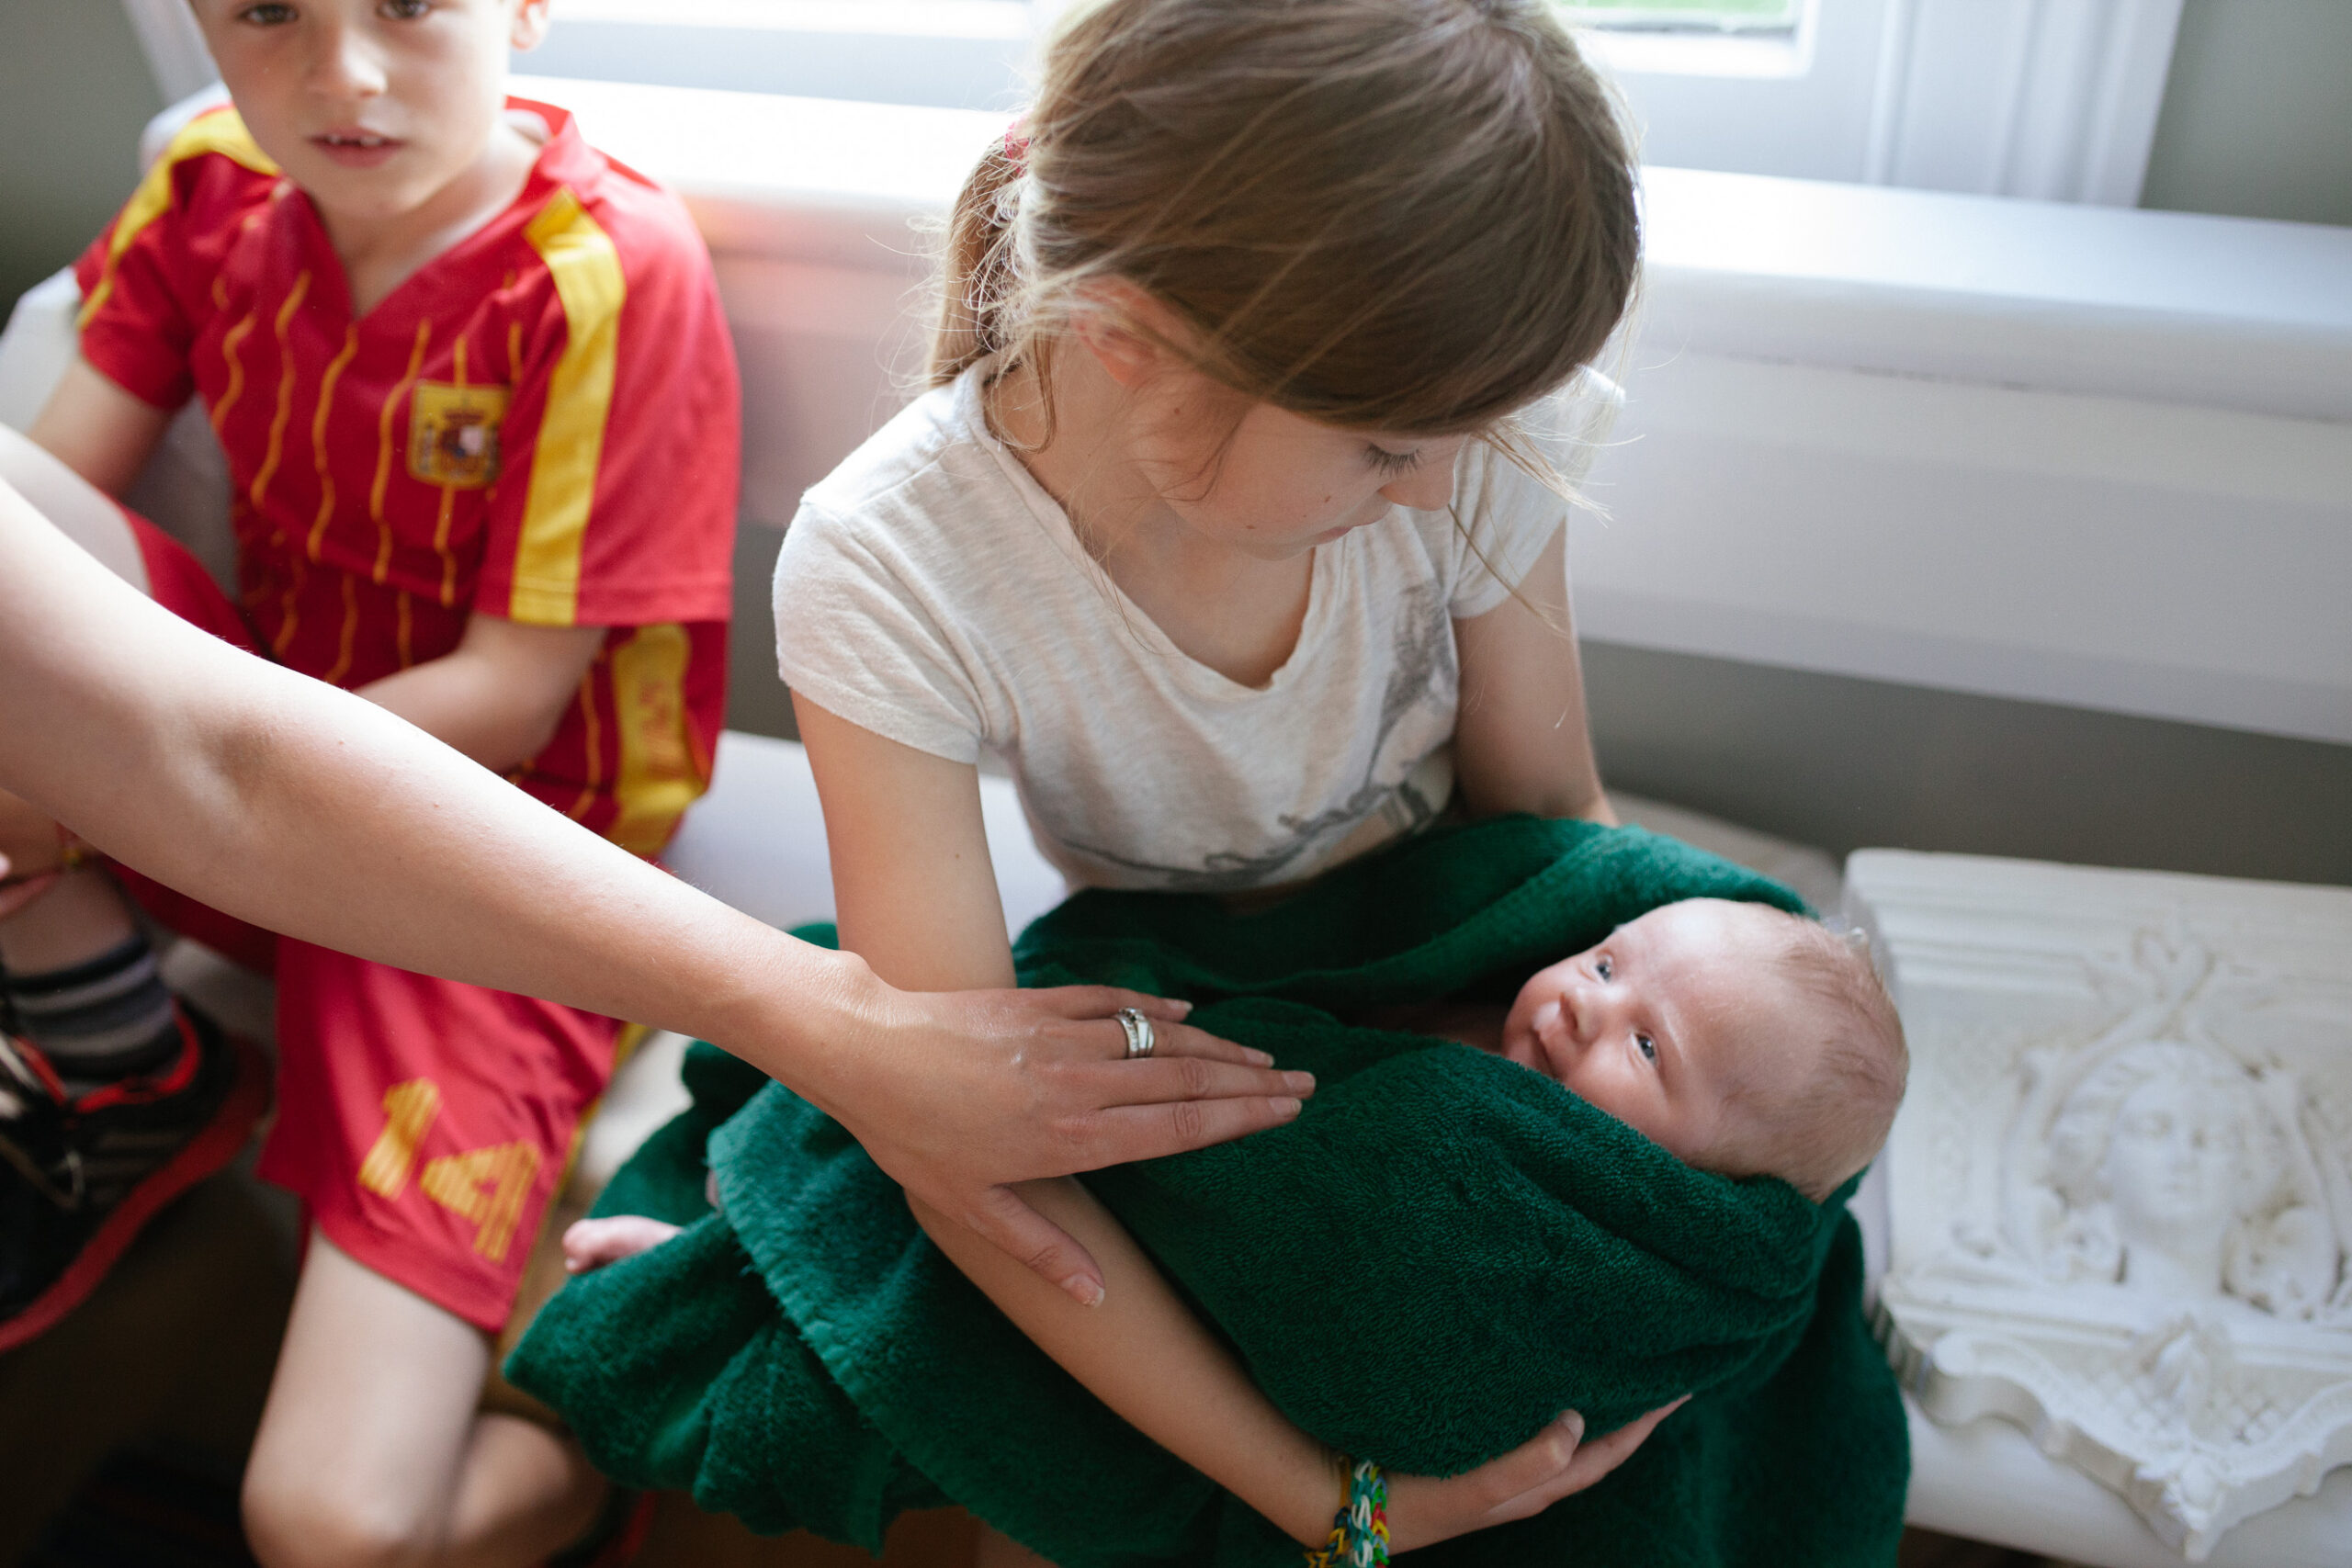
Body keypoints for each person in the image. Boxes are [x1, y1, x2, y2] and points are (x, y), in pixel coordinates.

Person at [0, 3, 1273, 1564]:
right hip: (229, 764)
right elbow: (56, 536)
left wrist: (94, 794)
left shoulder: (594, 268)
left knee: (330, 1530)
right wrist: (81, 779)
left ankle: (591, 1458)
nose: (343, 72)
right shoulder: (208, 181)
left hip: (478, 853)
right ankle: (122, 1060)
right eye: (267, 12)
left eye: (408, 4)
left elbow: (507, 698)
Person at [760, 0, 1668, 1554]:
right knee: (1065, 1461)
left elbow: (1551, 831)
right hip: (1180, 1005)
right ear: (1130, 338)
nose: (1441, 490)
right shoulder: (891, 568)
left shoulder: (1458, 421)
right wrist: (1338, 1509)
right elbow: (971, 1152)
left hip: (1444, 954)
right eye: (1385, 451)